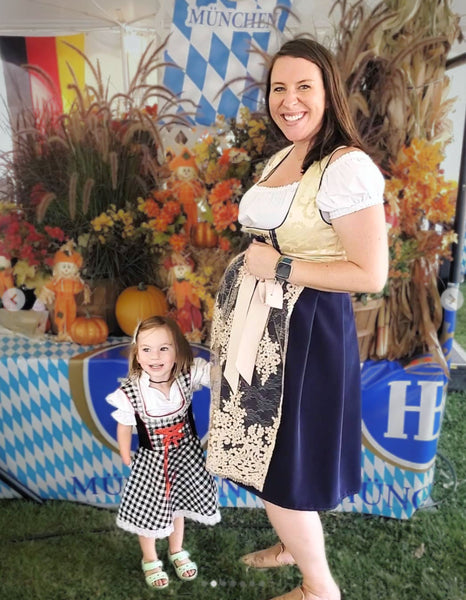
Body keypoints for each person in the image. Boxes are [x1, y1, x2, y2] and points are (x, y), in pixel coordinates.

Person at [206, 37, 388, 600]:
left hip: (303, 333)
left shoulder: (345, 167)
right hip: (264, 329)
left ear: (329, 93)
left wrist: (279, 265)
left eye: (303, 86)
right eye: (279, 88)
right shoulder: (284, 155)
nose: (289, 100)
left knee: (285, 462)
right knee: (275, 454)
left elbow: (370, 274)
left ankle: (319, 587)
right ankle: (292, 543)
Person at [107, 315, 220, 589]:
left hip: (185, 459)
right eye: (146, 349)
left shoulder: (186, 376)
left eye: (164, 348)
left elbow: (214, 374)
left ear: (177, 350)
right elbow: (124, 426)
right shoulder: (132, 391)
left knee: (177, 507)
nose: (154, 356)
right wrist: (125, 454)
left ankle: (177, 549)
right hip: (152, 464)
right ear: (137, 353)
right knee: (150, 512)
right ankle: (150, 558)